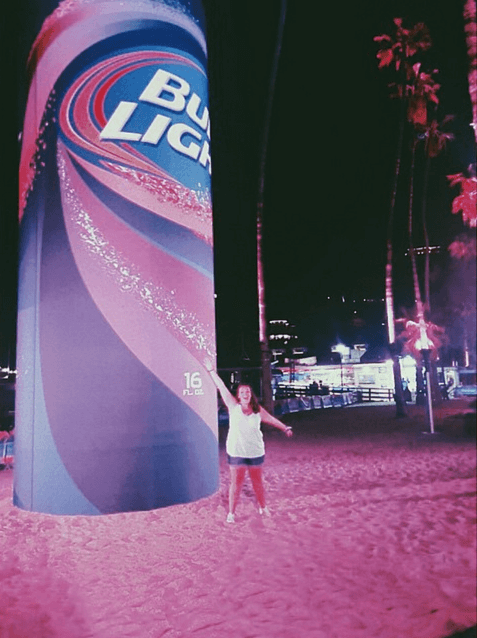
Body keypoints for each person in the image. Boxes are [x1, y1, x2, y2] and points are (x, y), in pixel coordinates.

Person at [204, 360, 293, 523]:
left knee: (257, 482)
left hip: (255, 451)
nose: (245, 394)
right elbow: (222, 387)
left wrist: (285, 428)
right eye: (242, 392)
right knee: (235, 484)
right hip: (236, 451)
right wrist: (211, 371)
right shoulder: (233, 406)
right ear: (238, 395)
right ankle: (231, 513)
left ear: (251, 395)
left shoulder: (258, 410)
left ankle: (262, 507)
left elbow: (272, 419)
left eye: (248, 392)